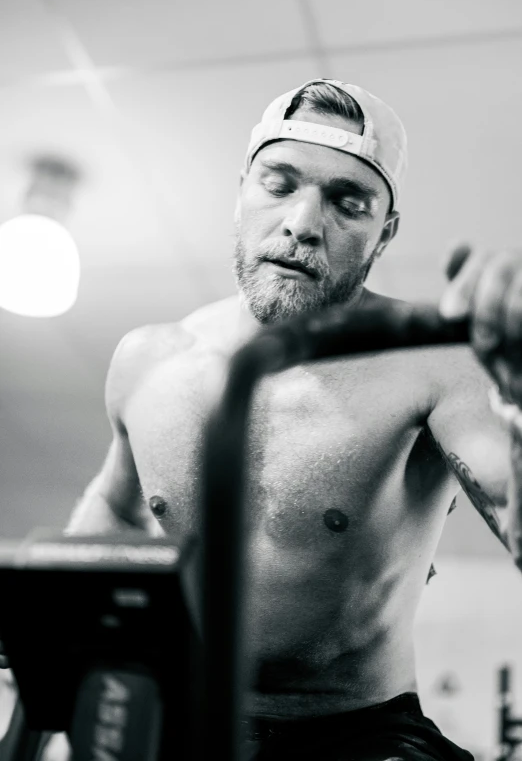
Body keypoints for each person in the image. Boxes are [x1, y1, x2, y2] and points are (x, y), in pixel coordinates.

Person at [8, 78, 522, 759]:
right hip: (186, 714)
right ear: (241, 191)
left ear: (384, 232)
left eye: (347, 202)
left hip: (361, 733)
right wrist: (65, 638)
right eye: (280, 184)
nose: (304, 222)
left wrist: (515, 403)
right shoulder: (149, 360)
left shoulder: (433, 363)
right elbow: (114, 502)